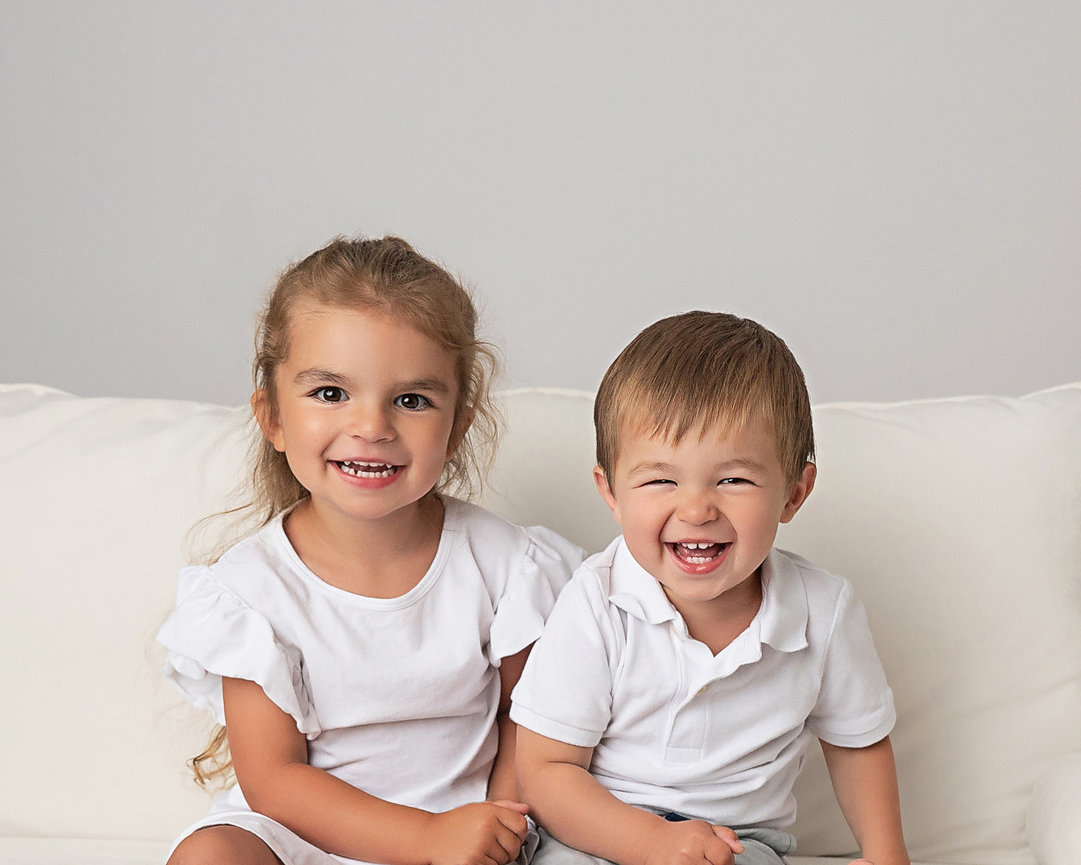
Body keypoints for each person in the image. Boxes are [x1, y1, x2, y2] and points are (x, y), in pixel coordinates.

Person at [157, 236, 583, 865]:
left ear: (457, 429)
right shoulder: (248, 593)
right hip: (301, 834)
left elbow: (533, 722)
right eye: (331, 393)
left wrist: (495, 830)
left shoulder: (506, 567)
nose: (373, 426)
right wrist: (420, 841)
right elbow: (273, 781)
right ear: (272, 417)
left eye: (411, 400)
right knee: (210, 855)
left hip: (463, 831)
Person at [511, 311, 910, 865]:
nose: (697, 509)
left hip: (737, 843)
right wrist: (650, 843)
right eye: (660, 480)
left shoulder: (824, 609)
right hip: (599, 831)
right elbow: (544, 771)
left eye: (734, 480)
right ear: (611, 491)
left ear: (794, 493)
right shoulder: (596, 602)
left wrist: (886, 854)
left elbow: (857, 743)